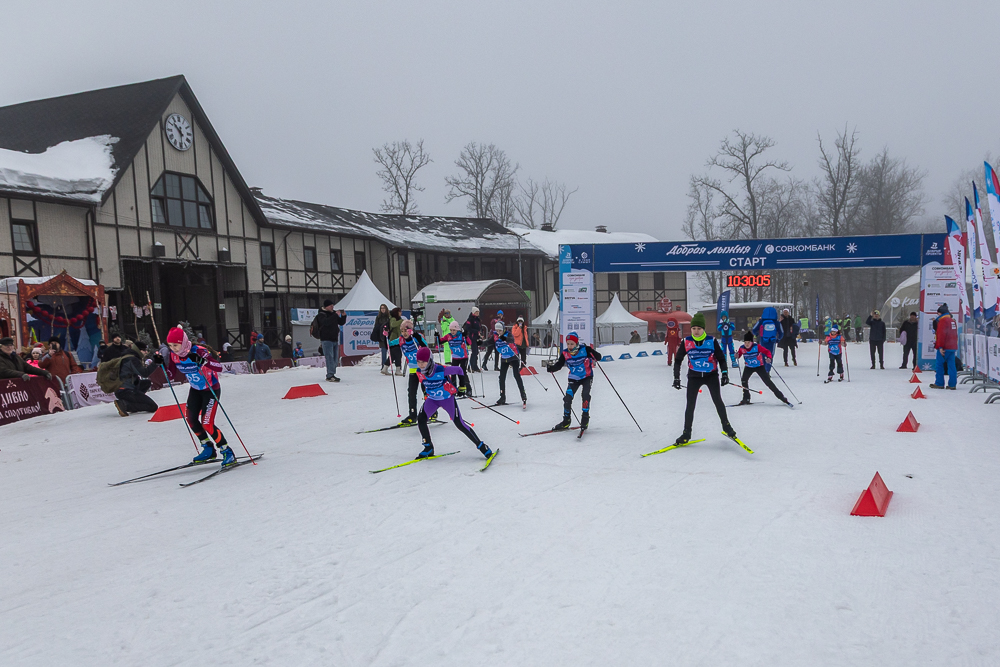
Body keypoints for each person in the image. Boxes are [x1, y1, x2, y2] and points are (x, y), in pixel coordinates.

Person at [153, 327, 236, 466]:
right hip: (196, 390)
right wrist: (161, 365)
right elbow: (171, 375)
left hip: (210, 389)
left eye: (175, 345)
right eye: (170, 345)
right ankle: (208, 449)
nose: (173, 349)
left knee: (207, 423)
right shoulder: (174, 355)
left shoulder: (198, 350)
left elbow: (218, 367)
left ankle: (227, 451)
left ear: (183, 342)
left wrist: (203, 361)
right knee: (191, 419)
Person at [413, 347, 493, 461]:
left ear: (429, 360)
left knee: (459, 424)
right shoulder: (418, 372)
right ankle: (428, 447)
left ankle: (482, 447)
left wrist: (462, 386)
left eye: (423, 362)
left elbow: (459, 370)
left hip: (447, 399)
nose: (421, 365)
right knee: (421, 420)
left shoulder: (440, 369)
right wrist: (426, 392)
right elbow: (423, 382)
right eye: (419, 362)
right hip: (432, 400)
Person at [671, 313, 737, 446]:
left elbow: (721, 359)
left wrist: (725, 373)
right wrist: (676, 378)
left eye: (699, 328)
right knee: (690, 405)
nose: (696, 331)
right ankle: (686, 433)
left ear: (703, 329)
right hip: (694, 376)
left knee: (718, 401)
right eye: (693, 328)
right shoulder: (686, 342)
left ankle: (727, 427)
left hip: (711, 375)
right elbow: (678, 360)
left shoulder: (711, 341)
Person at [546, 331, 602, 431]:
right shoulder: (565, 353)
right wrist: (551, 368)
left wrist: (592, 351)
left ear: (576, 343)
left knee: (585, 396)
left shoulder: (584, 350)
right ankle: (566, 421)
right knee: (567, 398)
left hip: (586, 377)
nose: (570, 346)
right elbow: (559, 365)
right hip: (573, 378)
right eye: (568, 344)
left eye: (572, 344)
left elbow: (599, 357)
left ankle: (585, 419)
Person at [736, 332, 790, 406]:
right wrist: (737, 355)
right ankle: (746, 398)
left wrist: (769, 358)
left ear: (752, 342)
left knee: (768, 382)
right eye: (745, 342)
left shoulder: (757, 347)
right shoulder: (742, 348)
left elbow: (767, 352)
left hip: (759, 367)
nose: (747, 344)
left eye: (748, 342)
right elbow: (739, 354)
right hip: (749, 367)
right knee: (744, 380)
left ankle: (782, 397)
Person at [394, 319, 431, 425]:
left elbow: (425, 347)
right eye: (402, 331)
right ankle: (412, 415)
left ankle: (431, 412)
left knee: (426, 391)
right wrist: (385, 336)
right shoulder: (401, 339)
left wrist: (416, 335)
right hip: (413, 370)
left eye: (406, 330)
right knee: (411, 392)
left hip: (423, 370)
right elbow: (391, 343)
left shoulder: (416, 338)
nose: (404, 333)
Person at [112, 342, 158, 416]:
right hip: (126, 390)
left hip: (122, 388)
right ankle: (126, 405)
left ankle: (134, 402)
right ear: (138, 350)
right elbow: (144, 373)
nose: (146, 352)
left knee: (146, 383)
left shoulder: (127, 356)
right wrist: (156, 362)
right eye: (144, 350)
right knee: (153, 406)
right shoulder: (132, 359)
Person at [311, 299, 347, 382]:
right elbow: (326, 322)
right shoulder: (321, 314)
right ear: (326, 306)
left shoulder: (333, 314)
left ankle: (332, 373)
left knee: (335, 358)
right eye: (331, 306)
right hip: (326, 339)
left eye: (333, 305)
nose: (332, 307)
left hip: (334, 338)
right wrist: (335, 315)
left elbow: (340, 322)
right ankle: (330, 375)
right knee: (329, 357)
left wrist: (344, 316)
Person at [493, 321, 527, 407]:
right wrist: (479, 342)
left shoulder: (508, 334)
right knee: (502, 377)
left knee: (516, 375)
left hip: (513, 357)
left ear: (503, 329)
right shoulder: (495, 336)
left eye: (500, 331)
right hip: (504, 359)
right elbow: (488, 342)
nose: (498, 332)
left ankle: (523, 395)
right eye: (497, 331)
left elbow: (512, 340)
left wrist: (504, 338)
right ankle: (502, 397)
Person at [930, 304, 958, 389]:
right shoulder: (952, 320)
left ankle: (939, 383)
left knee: (939, 365)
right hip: (952, 347)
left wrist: (940, 347)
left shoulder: (942, 321)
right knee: (952, 366)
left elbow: (941, 335)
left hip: (944, 347)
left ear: (940, 313)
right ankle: (952, 384)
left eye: (938, 313)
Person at [441, 320, 470, 397]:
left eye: (454, 330)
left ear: (457, 329)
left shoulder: (461, 335)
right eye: (451, 330)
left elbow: (469, 343)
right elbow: (440, 341)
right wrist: (437, 336)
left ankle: (466, 389)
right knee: (453, 373)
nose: (452, 332)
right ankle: (453, 389)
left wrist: (466, 336)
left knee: (462, 372)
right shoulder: (448, 336)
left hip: (463, 357)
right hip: (455, 357)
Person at [751, 306, 781, 371]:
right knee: (770, 354)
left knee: (763, 354)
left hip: (763, 340)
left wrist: (758, 335)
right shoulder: (776, 322)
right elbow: (782, 332)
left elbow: (753, 330)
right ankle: (768, 370)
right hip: (772, 340)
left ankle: (763, 370)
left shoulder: (761, 321)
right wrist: (778, 339)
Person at [373, 303, 391, 374]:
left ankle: (389, 364)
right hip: (381, 336)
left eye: (384, 308)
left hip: (388, 335)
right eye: (381, 308)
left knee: (391, 351)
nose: (383, 309)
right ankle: (383, 365)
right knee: (383, 351)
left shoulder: (389, 317)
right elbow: (376, 327)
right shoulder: (378, 317)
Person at [464, 307, 482, 372]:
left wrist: (480, 333)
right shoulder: (470, 319)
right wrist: (476, 331)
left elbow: (479, 327)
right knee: (474, 352)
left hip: (477, 337)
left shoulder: (477, 319)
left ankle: (475, 366)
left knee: (476, 352)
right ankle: (470, 366)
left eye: (478, 312)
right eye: (476, 312)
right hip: (472, 337)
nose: (477, 313)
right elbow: (469, 328)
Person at [387, 307, 404, 375]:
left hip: (396, 339)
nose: (401, 313)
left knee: (393, 355)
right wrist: (401, 321)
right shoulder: (393, 319)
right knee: (398, 354)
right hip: (394, 339)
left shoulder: (397, 319)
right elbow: (393, 325)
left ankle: (385, 368)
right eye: (400, 312)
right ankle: (397, 370)